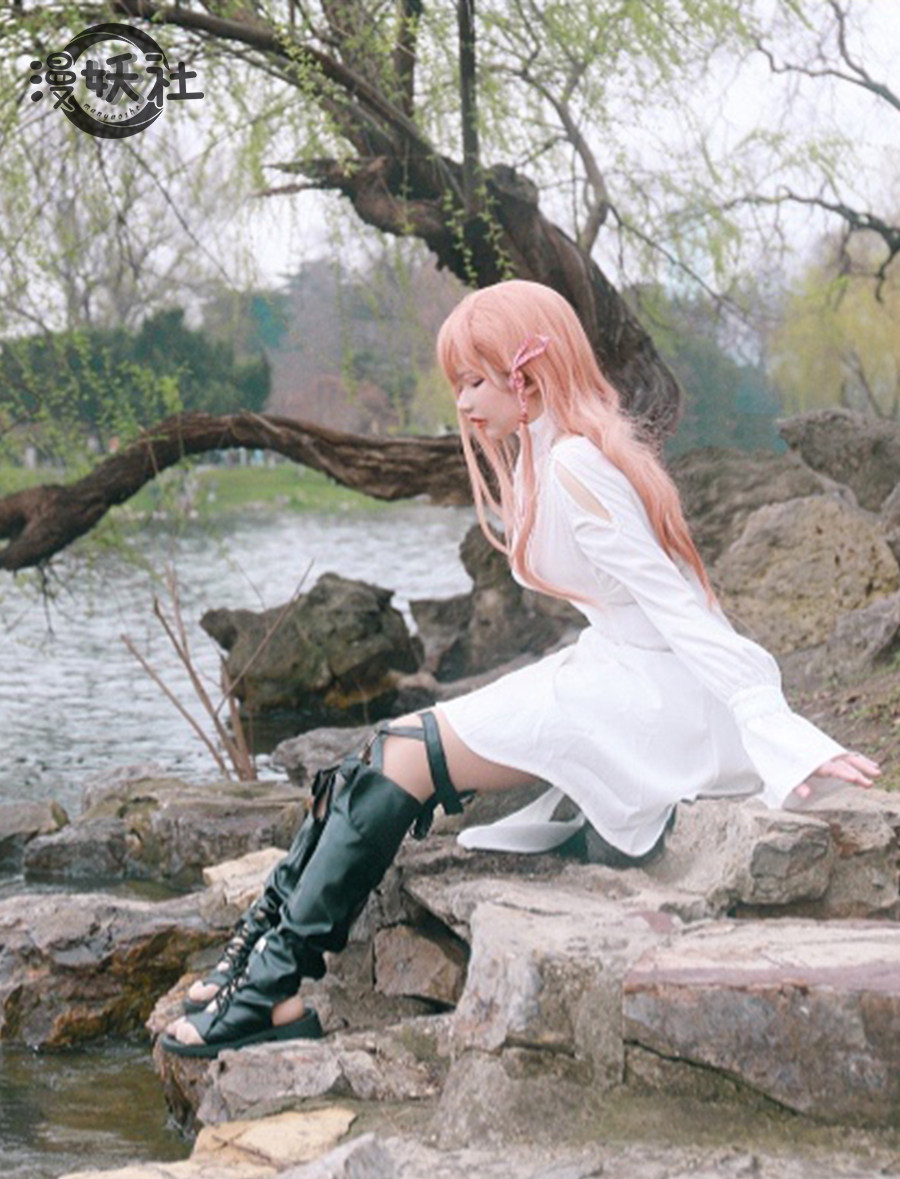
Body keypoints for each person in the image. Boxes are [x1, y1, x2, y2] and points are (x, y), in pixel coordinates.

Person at [161, 280, 881, 1058]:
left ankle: (269, 989)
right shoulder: (549, 452)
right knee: (382, 748)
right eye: (460, 383)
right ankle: (252, 966)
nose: (463, 403)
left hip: (651, 697)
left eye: (476, 380)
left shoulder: (576, 463)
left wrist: (774, 726)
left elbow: (681, 608)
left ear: (527, 375)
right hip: (611, 670)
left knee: (402, 759)